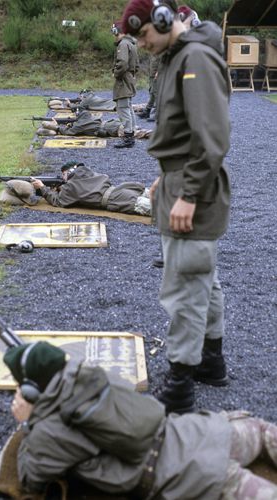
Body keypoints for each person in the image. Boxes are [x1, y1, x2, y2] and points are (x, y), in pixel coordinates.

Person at [121, 0, 231, 414]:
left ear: (164, 20)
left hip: (193, 190)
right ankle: (210, 361)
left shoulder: (195, 58)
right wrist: (166, 176)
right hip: (179, 180)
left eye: (145, 34)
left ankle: (181, 382)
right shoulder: (178, 57)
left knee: (184, 286)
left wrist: (187, 194)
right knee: (204, 280)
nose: (143, 44)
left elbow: (213, 137)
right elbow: (183, 132)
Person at [4, 341, 277, 499]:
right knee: (264, 432)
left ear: (31, 389)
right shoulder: (95, 377)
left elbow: (31, 481)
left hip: (192, 475)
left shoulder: (48, 433)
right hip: (205, 432)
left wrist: (29, 422)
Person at [31, 161, 152, 216]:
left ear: (70, 171)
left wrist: (42, 188)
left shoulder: (71, 186)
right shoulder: (87, 173)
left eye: (63, 174)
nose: (63, 178)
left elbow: (58, 202)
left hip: (118, 200)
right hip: (123, 189)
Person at [111, 21, 139, 148]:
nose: (113, 34)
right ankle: (131, 134)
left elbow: (122, 62)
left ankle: (128, 137)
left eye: (114, 31)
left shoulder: (123, 44)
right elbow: (136, 65)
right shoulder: (131, 44)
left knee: (123, 107)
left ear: (118, 31)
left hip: (123, 79)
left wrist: (116, 73)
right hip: (129, 77)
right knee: (128, 106)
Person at [37, 109, 123, 138]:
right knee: (131, 128)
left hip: (113, 128)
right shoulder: (87, 115)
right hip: (113, 122)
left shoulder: (79, 126)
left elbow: (68, 132)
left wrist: (57, 127)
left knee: (132, 133)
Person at [137, 54, 160, 120]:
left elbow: (164, 62)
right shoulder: (153, 51)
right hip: (152, 75)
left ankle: (157, 114)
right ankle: (147, 111)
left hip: (157, 76)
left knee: (156, 93)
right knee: (152, 93)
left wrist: (159, 72)